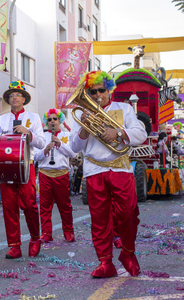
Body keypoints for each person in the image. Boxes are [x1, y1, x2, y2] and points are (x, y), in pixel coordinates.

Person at [69, 71, 147, 278]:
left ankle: (128, 254)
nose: (97, 95)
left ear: (109, 90)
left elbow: (141, 134)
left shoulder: (125, 109)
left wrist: (119, 133)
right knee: (99, 220)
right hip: (95, 170)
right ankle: (105, 262)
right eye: (92, 92)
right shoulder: (82, 114)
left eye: (101, 90)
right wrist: (84, 129)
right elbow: (74, 146)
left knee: (129, 214)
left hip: (120, 168)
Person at [0, 81, 46, 259]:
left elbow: (41, 142)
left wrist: (28, 132)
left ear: (24, 98)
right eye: (11, 95)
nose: (14, 97)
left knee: (29, 204)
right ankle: (14, 245)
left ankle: (34, 238)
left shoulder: (34, 117)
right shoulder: (1, 119)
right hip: (5, 166)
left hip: (26, 165)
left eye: (17, 94)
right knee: (9, 206)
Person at [34, 108, 77, 243]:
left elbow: (73, 154)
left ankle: (68, 231)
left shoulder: (67, 135)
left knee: (65, 205)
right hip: (44, 173)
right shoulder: (42, 136)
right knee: (45, 206)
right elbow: (35, 156)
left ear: (60, 120)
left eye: (55, 119)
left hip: (61, 174)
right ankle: (46, 233)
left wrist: (59, 144)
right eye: (49, 119)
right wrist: (46, 150)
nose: (52, 121)